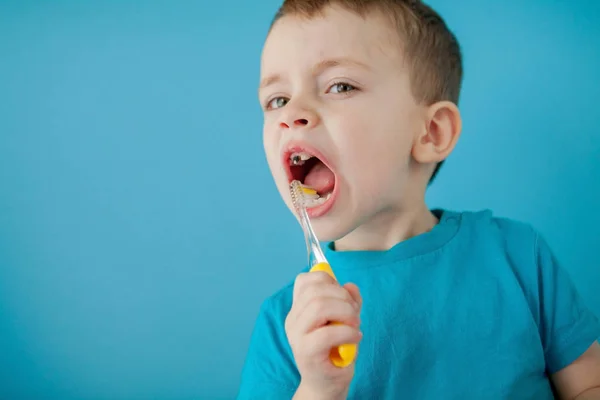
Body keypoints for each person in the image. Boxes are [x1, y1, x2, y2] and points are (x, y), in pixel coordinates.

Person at [237, 0, 600, 398]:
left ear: (431, 133)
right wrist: (319, 388)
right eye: (277, 100)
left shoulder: (519, 257)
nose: (293, 114)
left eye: (340, 86)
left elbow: (587, 383)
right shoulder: (286, 322)